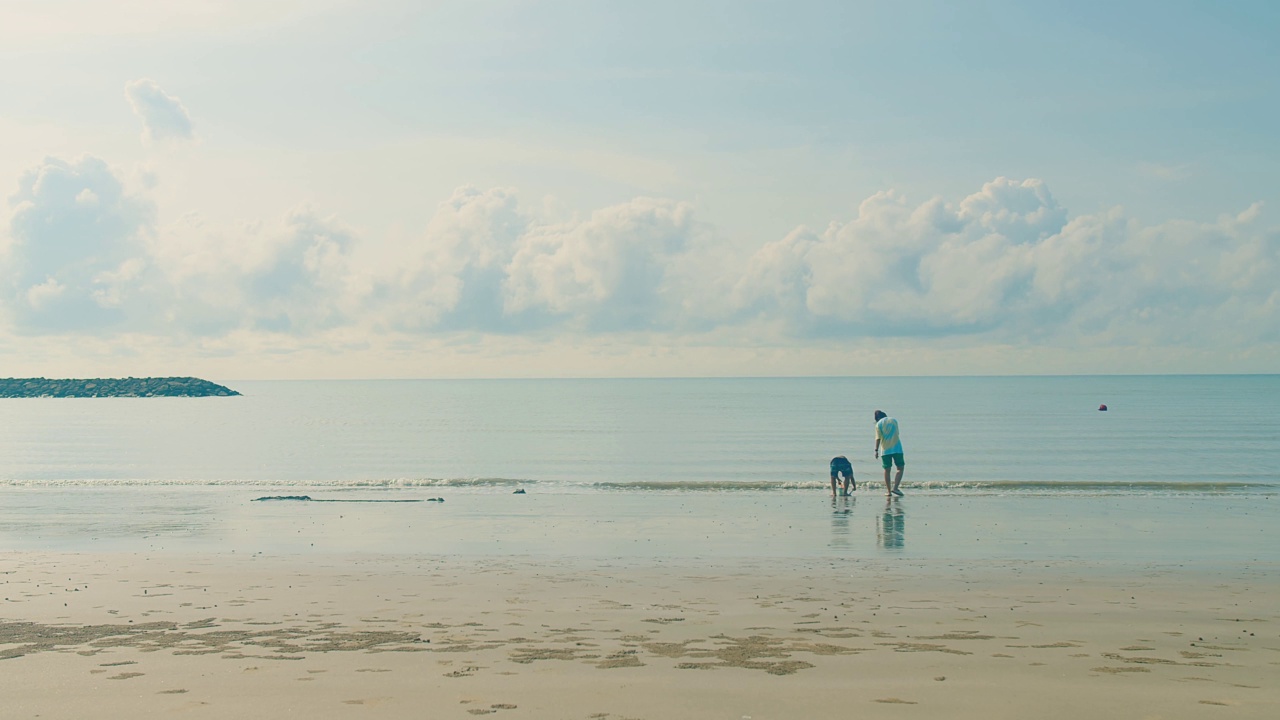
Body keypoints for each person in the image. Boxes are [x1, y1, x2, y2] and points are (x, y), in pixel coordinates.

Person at [873, 410, 905, 497]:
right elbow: (897, 433)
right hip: (897, 448)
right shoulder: (894, 420)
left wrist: (876, 450)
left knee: (887, 470)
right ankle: (895, 487)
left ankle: (888, 491)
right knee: (900, 468)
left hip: (885, 450)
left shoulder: (878, 424)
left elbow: (878, 438)